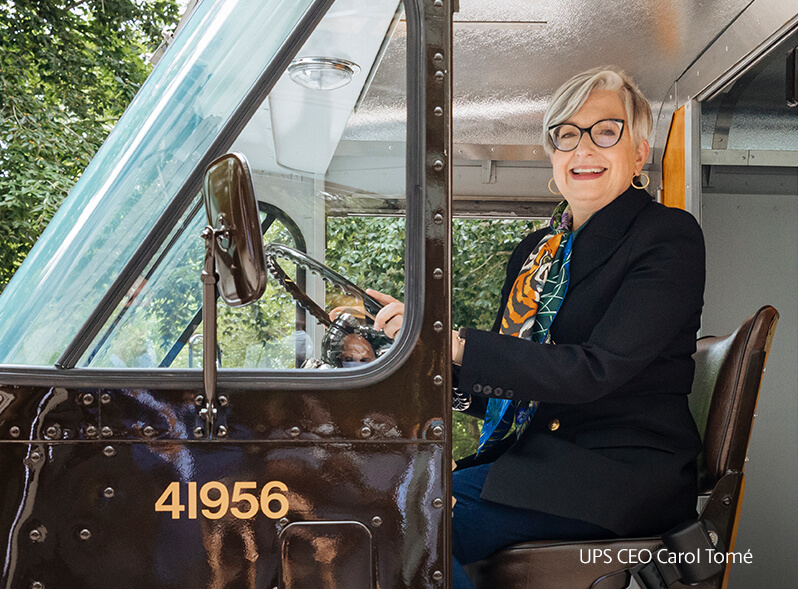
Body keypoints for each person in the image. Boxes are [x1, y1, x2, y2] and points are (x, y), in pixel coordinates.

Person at [370, 66, 706, 588]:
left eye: (605, 131)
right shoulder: (535, 254)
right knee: (380, 505)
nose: (583, 149)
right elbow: (515, 395)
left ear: (640, 152)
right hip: (541, 463)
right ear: (553, 154)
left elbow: (593, 372)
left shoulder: (667, 237)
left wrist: (457, 348)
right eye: (566, 135)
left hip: (616, 472)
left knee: (400, 523)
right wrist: (423, 354)